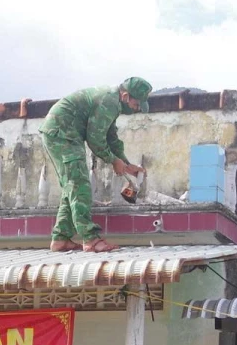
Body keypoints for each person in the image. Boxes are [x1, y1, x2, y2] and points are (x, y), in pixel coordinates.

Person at [39, 77, 152, 254]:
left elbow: (111, 138)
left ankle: (61, 238)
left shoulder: (113, 102)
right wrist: (114, 161)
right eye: (137, 104)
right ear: (125, 96)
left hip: (63, 132)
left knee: (72, 186)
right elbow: (96, 139)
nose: (137, 109)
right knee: (79, 185)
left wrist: (127, 164)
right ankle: (90, 239)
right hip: (62, 133)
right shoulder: (109, 102)